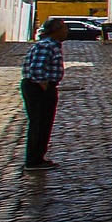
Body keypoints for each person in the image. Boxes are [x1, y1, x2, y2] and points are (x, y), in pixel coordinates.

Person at [21, 18, 69, 172]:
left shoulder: (51, 45)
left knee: (44, 123)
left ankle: (38, 157)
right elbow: (37, 69)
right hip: (38, 88)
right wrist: (46, 88)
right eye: (64, 28)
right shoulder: (47, 45)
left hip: (41, 86)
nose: (66, 31)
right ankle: (33, 160)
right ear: (56, 30)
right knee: (39, 123)